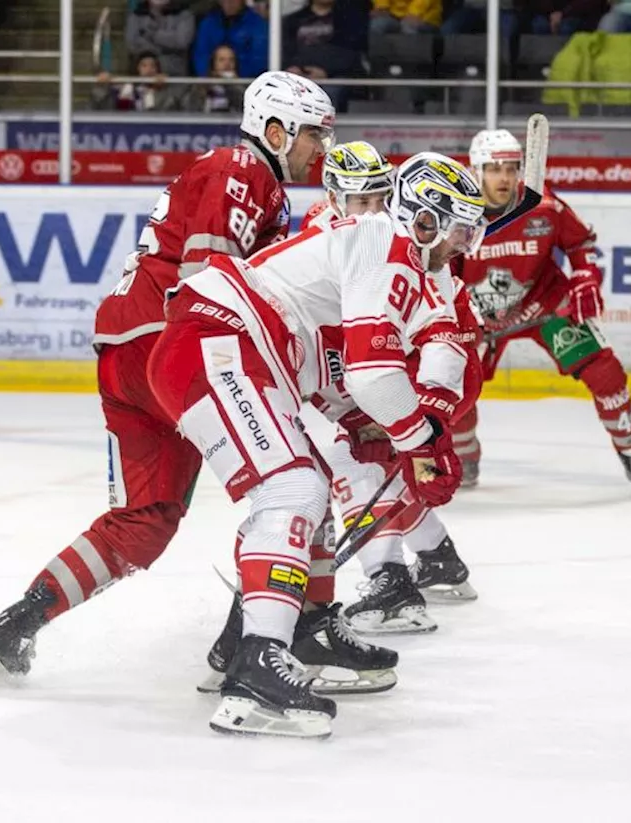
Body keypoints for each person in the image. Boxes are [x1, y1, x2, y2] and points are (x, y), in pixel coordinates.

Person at [0, 75, 391, 733]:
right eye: (313, 134)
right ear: (275, 129)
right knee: (294, 484)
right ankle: (287, 636)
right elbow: (206, 285)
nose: (320, 150)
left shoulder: (239, 175)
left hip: (125, 356)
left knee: (146, 520)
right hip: (174, 347)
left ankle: (15, 624)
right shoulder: (245, 169)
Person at [154, 151, 485, 737]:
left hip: (250, 354)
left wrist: (402, 428)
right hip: (221, 339)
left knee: (309, 495)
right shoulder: (384, 240)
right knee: (294, 488)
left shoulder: (415, 271)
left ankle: (260, 640)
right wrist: (419, 443)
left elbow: (422, 352)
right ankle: (256, 671)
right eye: (459, 229)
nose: (465, 245)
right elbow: (374, 374)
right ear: (426, 219)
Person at [455, 128, 631, 499]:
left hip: (544, 304)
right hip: (479, 318)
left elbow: (580, 242)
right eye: (493, 169)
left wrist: (586, 275)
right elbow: (436, 268)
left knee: (606, 372)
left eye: (511, 168)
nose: (504, 177)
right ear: (475, 170)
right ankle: (463, 455)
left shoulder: (543, 205)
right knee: (454, 388)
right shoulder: (457, 214)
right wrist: (456, 313)